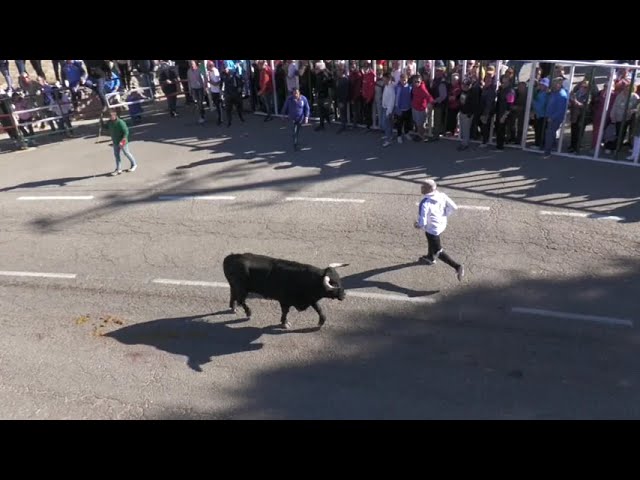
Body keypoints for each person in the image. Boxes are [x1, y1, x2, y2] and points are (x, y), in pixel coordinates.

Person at [414, 179, 465, 281]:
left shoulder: (424, 203)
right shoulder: (441, 195)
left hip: (433, 229)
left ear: (428, 189)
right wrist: (445, 214)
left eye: (423, 187)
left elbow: (422, 222)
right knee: (431, 242)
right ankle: (430, 258)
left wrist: (417, 225)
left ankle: (457, 266)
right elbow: (454, 207)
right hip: (442, 224)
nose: (421, 188)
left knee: (438, 250)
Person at [106, 110, 137, 175]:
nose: (110, 117)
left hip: (122, 141)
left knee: (126, 153)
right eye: (109, 116)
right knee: (117, 155)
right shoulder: (110, 122)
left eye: (111, 116)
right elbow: (106, 127)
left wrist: (123, 141)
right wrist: (101, 123)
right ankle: (118, 169)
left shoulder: (120, 122)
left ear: (115, 116)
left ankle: (134, 164)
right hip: (115, 141)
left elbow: (126, 132)